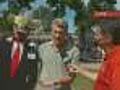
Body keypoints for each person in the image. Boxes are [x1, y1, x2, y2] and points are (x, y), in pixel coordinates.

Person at [34, 18, 80, 90]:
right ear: (51, 32)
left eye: (60, 33)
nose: (57, 36)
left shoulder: (74, 51)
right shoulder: (41, 48)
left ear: (66, 33)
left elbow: (71, 77)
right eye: (55, 32)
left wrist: (52, 83)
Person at [0, 22, 29, 90]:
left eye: (23, 31)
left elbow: (32, 72)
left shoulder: (31, 50)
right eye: (17, 30)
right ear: (13, 28)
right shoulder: (2, 45)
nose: (20, 34)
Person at [91, 22, 120, 90]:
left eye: (97, 34)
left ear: (108, 38)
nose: (94, 37)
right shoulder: (109, 56)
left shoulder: (117, 60)